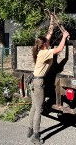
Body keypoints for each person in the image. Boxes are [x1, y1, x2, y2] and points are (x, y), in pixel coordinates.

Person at [27, 14, 69, 144]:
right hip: (38, 83)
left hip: (33, 81)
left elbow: (49, 34)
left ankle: (29, 129)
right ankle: (35, 136)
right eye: (47, 40)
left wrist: (52, 20)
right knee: (39, 109)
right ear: (45, 44)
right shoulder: (45, 53)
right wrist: (64, 36)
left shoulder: (41, 49)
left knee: (34, 107)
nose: (48, 40)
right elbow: (60, 48)